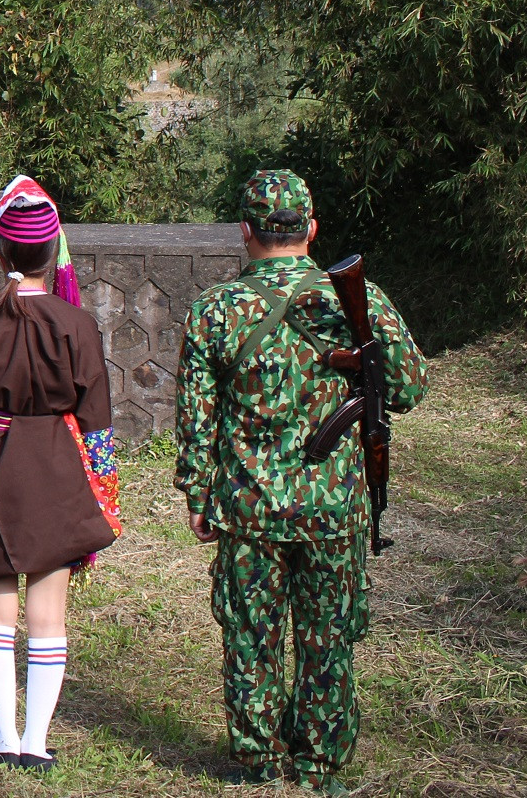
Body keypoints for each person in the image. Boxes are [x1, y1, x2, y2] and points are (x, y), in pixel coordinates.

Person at [175, 170, 427, 796]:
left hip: (248, 506)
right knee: (328, 637)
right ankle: (317, 763)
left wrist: (199, 496)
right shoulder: (355, 302)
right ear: (311, 229)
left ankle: (259, 758)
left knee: (251, 633)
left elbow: (196, 417)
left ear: (245, 232)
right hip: (332, 506)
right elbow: (410, 388)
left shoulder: (215, 311)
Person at [0, 175, 121, 773]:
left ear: (2, 251)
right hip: (58, 466)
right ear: (53, 251)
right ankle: (37, 741)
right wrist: (105, 498)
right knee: (48, 617)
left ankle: (4, 737)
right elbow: (97, 426)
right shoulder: (77, 324)